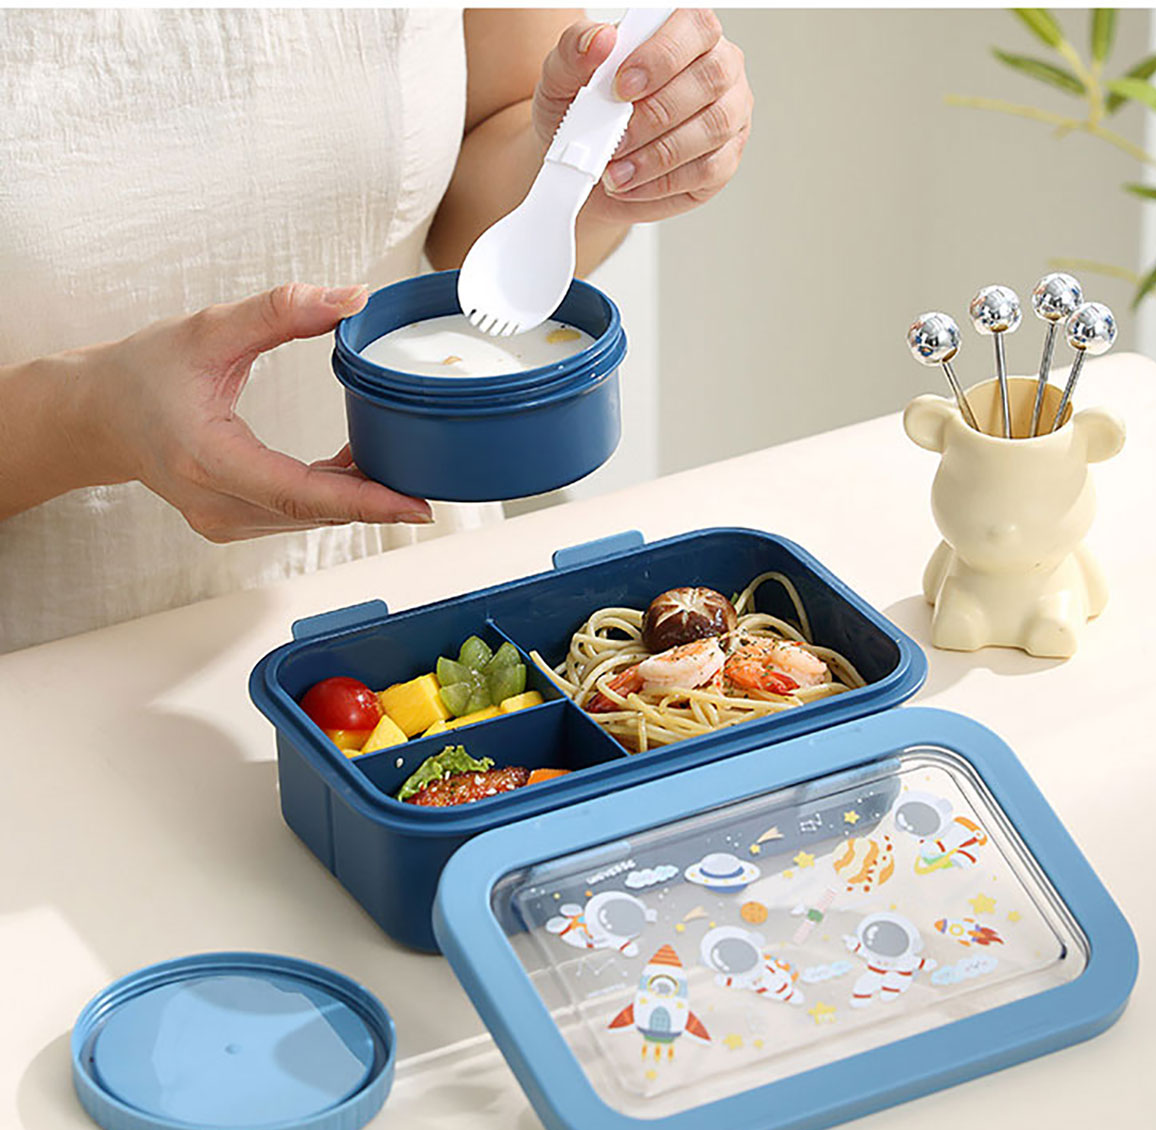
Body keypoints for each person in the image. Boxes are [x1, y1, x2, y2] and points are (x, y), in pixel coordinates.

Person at [0, 9, 753, 653]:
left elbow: (483, 165)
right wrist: (88, 416)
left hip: (409, 577)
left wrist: (591, 174)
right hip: (48, 650)